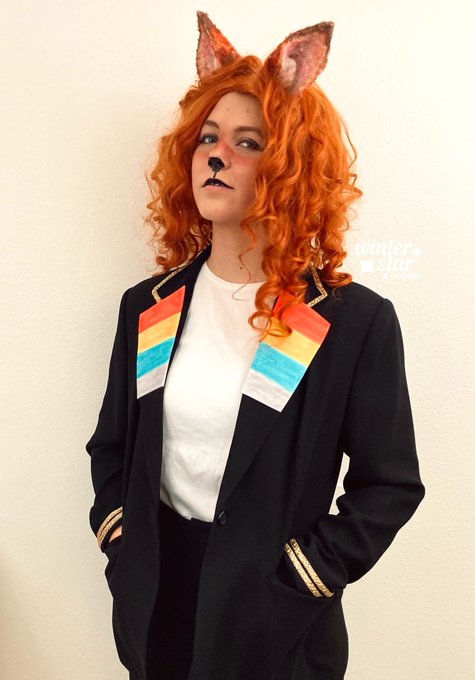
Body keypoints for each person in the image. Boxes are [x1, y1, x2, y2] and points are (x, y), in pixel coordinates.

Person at [86, 11, 424, 680]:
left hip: (275, 623)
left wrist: (303, 577)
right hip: (156, 607)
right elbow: (113, 447)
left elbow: (389, 485)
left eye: (248, 142)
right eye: (207, 138)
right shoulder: (148, 307)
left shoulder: (353, 322)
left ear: (292, 166)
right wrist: (123, 543)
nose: (217, 155)